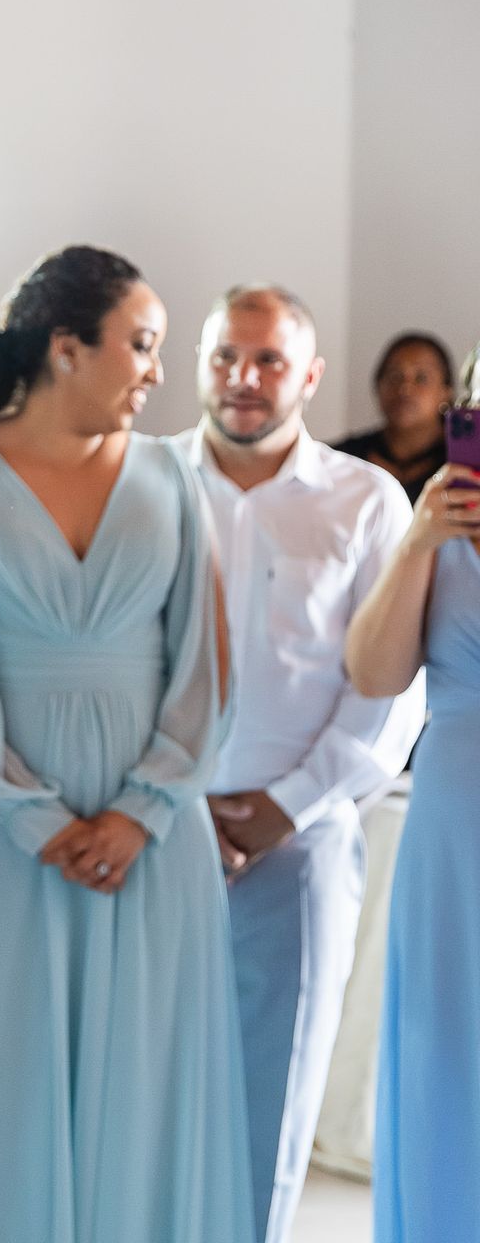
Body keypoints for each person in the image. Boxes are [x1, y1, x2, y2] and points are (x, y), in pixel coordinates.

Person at [0, 247, 254, 1242]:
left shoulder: (178, 473)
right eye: (140, 344)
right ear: (65, 347)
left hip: (151, 836)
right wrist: (32, 815)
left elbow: (207, 666)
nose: (157, 370)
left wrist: (143, 808)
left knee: (148, 1077)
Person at [175, 285, 422, 1243]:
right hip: (158, 829)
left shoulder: (367, 500)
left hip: (302, 841)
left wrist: (288, 806)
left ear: (310, 375)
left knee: (272, 1098)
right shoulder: (145, 482)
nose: (244, 379)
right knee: (144, 1085)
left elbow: (394, 683)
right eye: (226, 356)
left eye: (269, 360)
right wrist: (168, 801)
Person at [347, 342, 480, 1243]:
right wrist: (420, 539)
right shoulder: (440, 514)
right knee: (450, 1040)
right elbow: (375, 671)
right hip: (457, 806)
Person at [334, 332, 457, 505]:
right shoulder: (342, 461)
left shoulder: (463, 467)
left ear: (446, 392)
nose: (405, 389)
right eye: (395, 376)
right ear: (378, 386)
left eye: (421, 378)